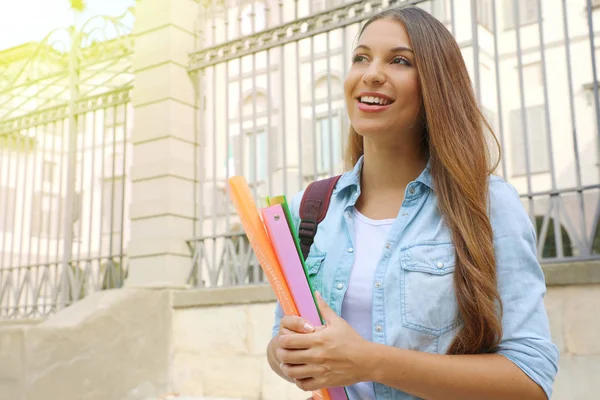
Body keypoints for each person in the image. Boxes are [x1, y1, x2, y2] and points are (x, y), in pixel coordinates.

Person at [266, 6, 559, 400]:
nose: (371, 73)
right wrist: (285, 353)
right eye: (361, 57)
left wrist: (369, 361)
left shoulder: (486, 204)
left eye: (400, 60)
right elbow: (281, 338)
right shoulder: (312, 207)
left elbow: (530, 377)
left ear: (436, 85)